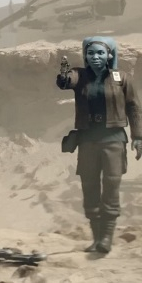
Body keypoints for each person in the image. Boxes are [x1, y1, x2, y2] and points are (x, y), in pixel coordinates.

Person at [56, 36, 142, 254]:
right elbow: (66, 82)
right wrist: (64, 74)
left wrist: (138, 136)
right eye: (91, 53)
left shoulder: (121, 78)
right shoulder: (80, 75)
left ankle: (106, 239)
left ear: (109, 55)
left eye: (101, 53)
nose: (95, 57)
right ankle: (96, 238)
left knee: (111, 187)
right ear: (85, 55)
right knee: (90, 187)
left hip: (114, 140)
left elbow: (134, 107)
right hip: (88, 140)